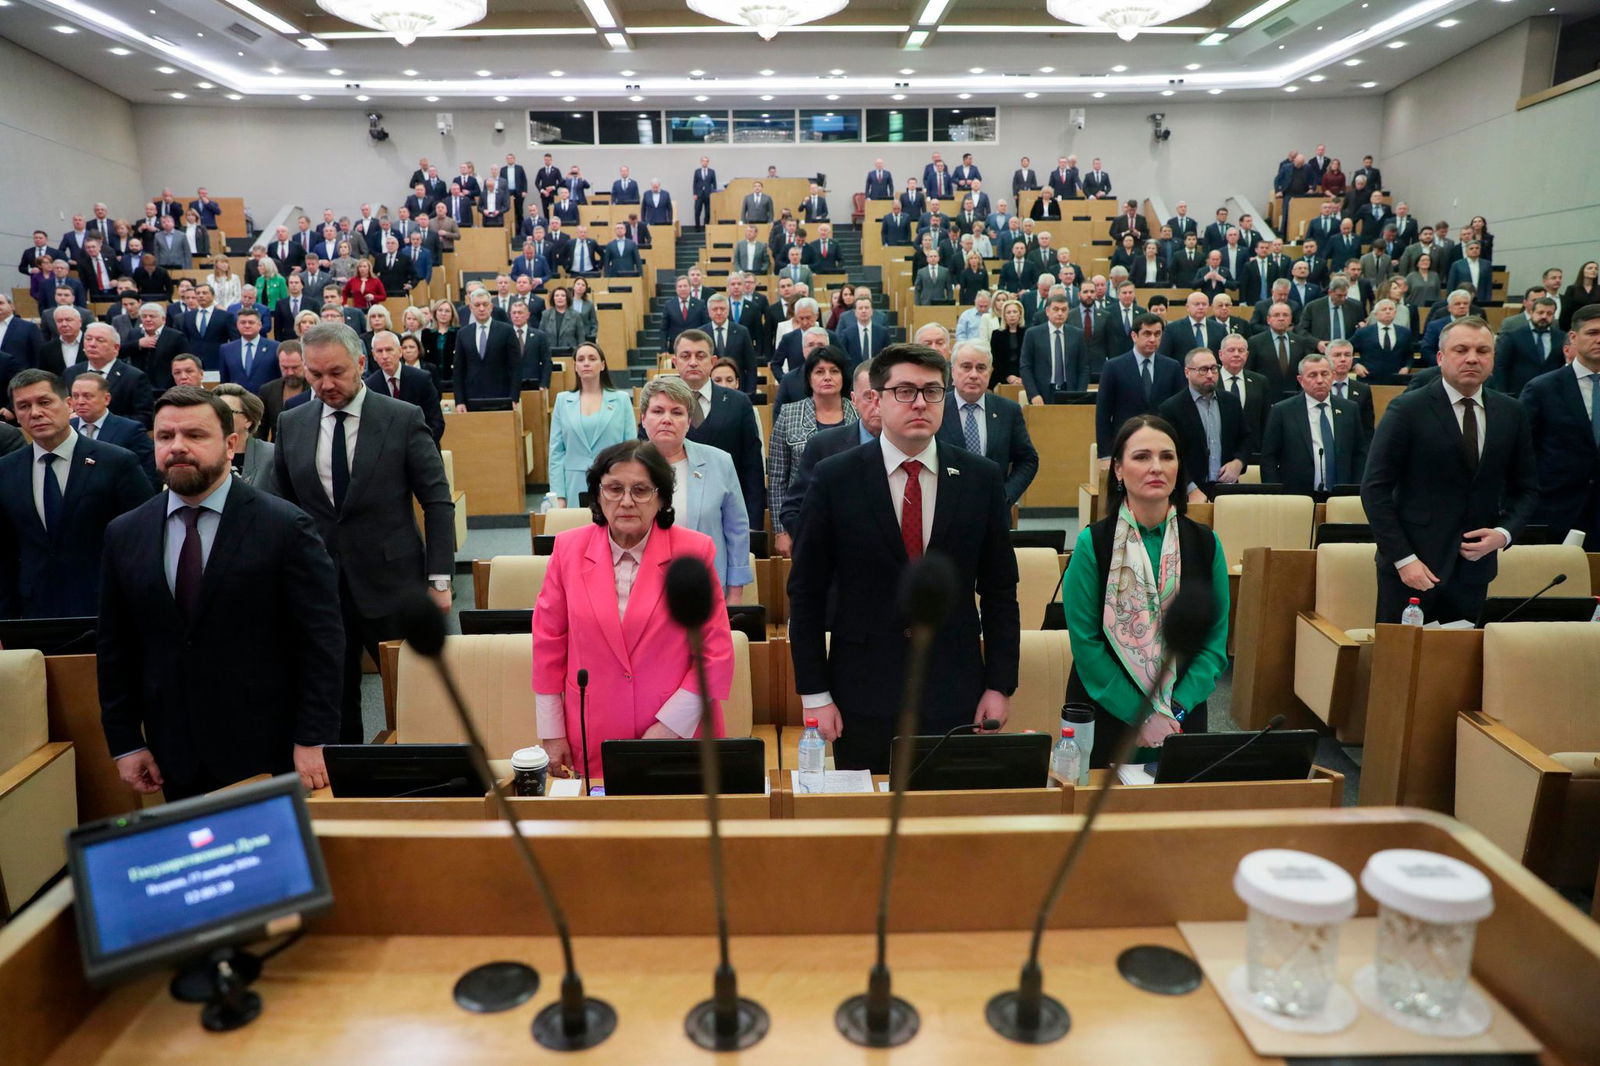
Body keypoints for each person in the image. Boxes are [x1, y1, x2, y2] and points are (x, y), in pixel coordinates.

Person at [98, 386, 342, 799]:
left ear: (231, 444)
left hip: (270, 748)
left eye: (195, 435)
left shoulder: (284, 526)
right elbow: (116, 646)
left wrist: (314, 738)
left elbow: (322, 641)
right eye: (165, 437)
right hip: (174, 750)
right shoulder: (125, 532)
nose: (178, 447)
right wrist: (126, 742)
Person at [787, 343, 1020, 773]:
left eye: (932, 391)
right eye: (905, 391)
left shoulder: (980, 478)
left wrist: (999, 686)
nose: (920, 402)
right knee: (867, 830)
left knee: (942, 824)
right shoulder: (835, 477)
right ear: (875, 398)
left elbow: (1000, 590)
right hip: (861, 688)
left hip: (955, 688)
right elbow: (806, 592)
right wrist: (815, 694)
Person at [274, 323, 455, 743]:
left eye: (336, 372)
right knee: (333, 697)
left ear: (360, 363)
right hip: (321, 587)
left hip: (393, 584)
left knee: (414, 698)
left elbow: (437, 501)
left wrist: (440, 578)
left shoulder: (401, 417)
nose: (325, 385)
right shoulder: (291, 423)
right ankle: (350, 787)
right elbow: (284, 510)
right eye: (315, 375)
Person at [531, 440, 734, 779]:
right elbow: (548, 644)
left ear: (661, 497)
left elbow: (715, 654)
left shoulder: (694, 551)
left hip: (678, 732)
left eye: (640, 490)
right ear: (598, 494)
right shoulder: (568, 550)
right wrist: (552, 731)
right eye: (614, 488)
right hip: (592, 732)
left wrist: (666, 730)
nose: (626, 501)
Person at [1062, 415, 1230, 767]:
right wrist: (1142, 715)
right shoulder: (1093, 543)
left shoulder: (1205, 544)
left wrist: (1174, 711)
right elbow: (1086, 645)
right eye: (1141, 457)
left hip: (1179, 718)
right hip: (1109, 712)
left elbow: (1213, 645)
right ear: (1119, 470)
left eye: (1167, 457)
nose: (1156, 467)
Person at [1361, 316, 1540, 625]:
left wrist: (1503, 534)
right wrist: (1404, 559)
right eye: (1462, 349)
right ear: (1441, 357)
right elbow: (1374, 489)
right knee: (1401, 667)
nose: (1472, 358)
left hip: (1473, 570)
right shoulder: (1407, 409)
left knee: (1458, 668)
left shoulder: (1511, 412)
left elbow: (1526, 488)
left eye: (1483, 350)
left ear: (1493, 359)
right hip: (1412, 569)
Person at [0, 369, 152, 618]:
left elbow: (143, 540)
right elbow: (5, 553)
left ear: (69, 404)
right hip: (32, 612)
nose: (35, 412)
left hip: (106, 609)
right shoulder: (6, 470)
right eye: (24, 406)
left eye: (45, 402)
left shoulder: (116, 462)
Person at [638, 377, 752, 602]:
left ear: (689, 421)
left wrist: (735, 593)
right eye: (658, 411)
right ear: (643, 418)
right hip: (640, 589)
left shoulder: (719, 462)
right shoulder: (625, 466)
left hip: (705, 588)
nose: (667, 420)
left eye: (677, 412)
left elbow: (737, 530)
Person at [1520, 304, 1600, 546]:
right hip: (1555, 508)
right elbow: (1521, 451)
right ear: (1573, 338)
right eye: (1593, 333)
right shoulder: (1542, 388)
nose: (1599, 339)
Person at [769, 346, 858, 556]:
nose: (827, 377)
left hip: (854, 518)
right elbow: (776, 477)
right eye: (819, 371)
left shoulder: (859, 413)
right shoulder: (789, 414)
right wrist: (780, 530)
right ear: (809, 379)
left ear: (843, 377)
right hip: (803, 519)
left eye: (834, 371)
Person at [937, 341, 1038, 507]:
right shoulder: (936, 409)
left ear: (990, 373)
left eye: (981, 368)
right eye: (966, 367)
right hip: (945, 510)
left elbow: (1028, 460)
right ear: (953, 371)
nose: (974, 375)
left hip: (994, 513)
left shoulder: (1008, 410)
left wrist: (1005, 496)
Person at [1259, 353, 1369, 496]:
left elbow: (1359, 453)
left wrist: (1356, 488)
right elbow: (1269, 458)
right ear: (1300, 380)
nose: (1319, 380)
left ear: (1333, 375)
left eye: (1325, 374)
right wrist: (1274, 494)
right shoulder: (1282, 411)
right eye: (1312, 375)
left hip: (1341, 493)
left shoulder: (1349, 409)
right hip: (1296, 495)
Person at [548, 341, 635, 507]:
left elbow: (630, 448)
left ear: (602, 365)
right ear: (575, 366)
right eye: (581, 359)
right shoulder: (562, 400)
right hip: (573, 483)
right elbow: (556, 452)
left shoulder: (621, 399)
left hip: (614, 479)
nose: (586, 363)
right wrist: (559, 495)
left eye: (592, 358)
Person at [1157, 347, 1250, 500]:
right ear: (1187, 372)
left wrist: (1238, 463)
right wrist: (1190, 488)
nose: (1210, 375)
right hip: (1189, 492)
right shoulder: (1171, 409)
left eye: (1214, 369)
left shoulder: (1230, 402)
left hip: (1226, 488)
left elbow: (1246, 438)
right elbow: (1169, 454)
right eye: (1203, 370)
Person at [1095, 313, 1184, 454]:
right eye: (1147, 334)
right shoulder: (1114, 366)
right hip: (1126, 442)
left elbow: (1180, 410)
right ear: (1134, 336)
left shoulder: (1172, 367)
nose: (1152, 339)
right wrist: (1105, 453)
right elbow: (1103, 414)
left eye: (1157, 334)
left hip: (1162, 442)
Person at [67, 371, 158, 488]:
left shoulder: (130, 430)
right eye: (75, 396)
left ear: (106, 399)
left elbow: (150, 473)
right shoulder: (66, 428)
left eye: (87, 396)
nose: (80, 402)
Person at [365, 329, 445, 444]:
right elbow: (371, 429)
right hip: (388, 456)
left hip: (423, 451)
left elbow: (436, 423)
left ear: (400, 351)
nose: (384, 356)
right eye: (379, 351)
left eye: (389, 350)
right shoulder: (370, 386)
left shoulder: (421, 379)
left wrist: (418, 449)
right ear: (373, 355)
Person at [454, 290, 520, 410]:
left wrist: (514, 397)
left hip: (502, 396)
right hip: (472, 397)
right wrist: (459, 401)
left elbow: (515, 367)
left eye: (485, 304)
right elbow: (459, 370)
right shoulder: (463, 333)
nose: (481, 308)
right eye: (477, 305)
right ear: (470, 308)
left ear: (491, 307)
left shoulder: (507, 331)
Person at [1020, 294, 1090, 401]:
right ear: (1047, 311)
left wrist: (1080, 394)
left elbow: (1084, 368)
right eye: (1056, 309)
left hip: (1070, 392)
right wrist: (1033, 394)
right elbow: (1025, 367)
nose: (1060, 313)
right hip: (1042, 393)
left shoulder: (1077, 334)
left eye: (1064, 310)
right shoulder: (1033, 334)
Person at [212, 383, 279, 495]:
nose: (219, 417)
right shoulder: (203, 453)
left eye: (227, 411)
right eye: (215, 411)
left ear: (248, 420)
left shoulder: (271, 455)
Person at [989, 298, 1027, 388]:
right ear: (1004, 316)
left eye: (1015, 312)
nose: (1012, 315)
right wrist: (1008, 377)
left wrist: (1021, 378)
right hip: (1002, 375)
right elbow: (996, 361)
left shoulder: (1028, 333)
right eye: (1008, 312)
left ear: (1020, 314)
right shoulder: (997, 334)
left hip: (1024, 376)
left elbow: (1029, 359)